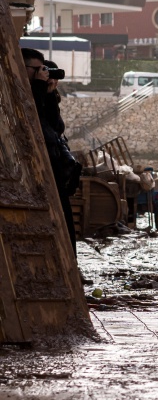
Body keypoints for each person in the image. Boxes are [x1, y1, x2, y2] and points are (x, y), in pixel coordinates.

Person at [21, 49, 82, 253]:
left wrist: (48, 94)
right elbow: (31, 121)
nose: (43, 74)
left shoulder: (44, 96)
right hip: (34, 175)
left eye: (44, 70)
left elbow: (54, 127)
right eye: (37, 70)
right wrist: (39, 87)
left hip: (52, 172)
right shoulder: (22, 94)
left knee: (63, 225)